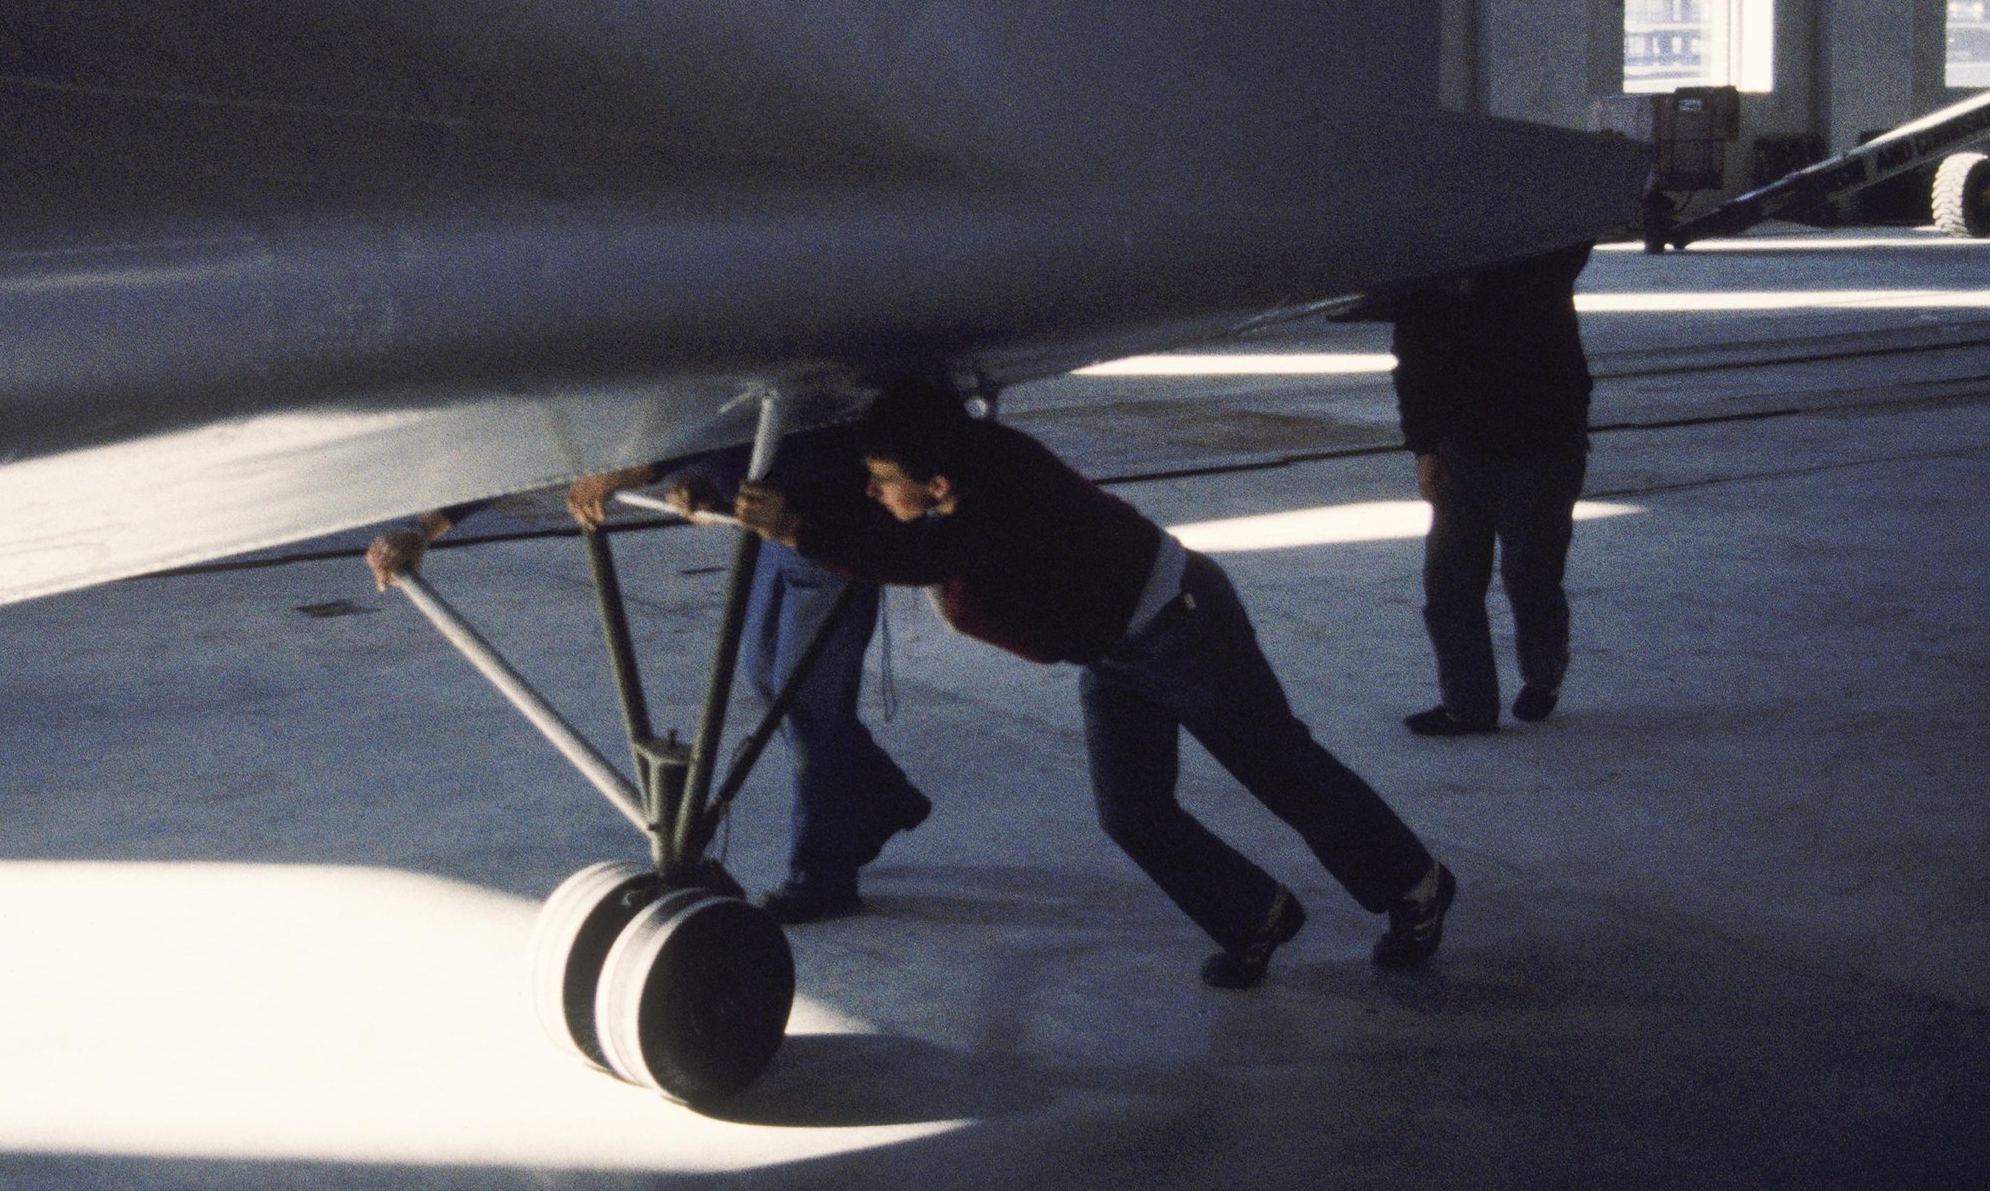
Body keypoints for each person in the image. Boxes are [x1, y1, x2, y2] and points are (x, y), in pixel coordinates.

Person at [732, 381, 1453, 989]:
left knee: (1279, 767)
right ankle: (1254, 915)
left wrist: (799, 530)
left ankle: (1415, 887)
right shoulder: (960, 466)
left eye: (884, 479)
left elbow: (916, 553)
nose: (872, 491)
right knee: (1131, 810)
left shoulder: (995, 505)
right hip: (1116, 649)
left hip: (1185, 626)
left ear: (940, 485)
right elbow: (890, 518)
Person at [366, 429, 930, 925]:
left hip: (831, 532)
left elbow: (717, 414)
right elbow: (712, 435)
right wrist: (700, 477)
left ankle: (823, 878)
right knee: (771, 683)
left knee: (805, 706)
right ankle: (885, 792)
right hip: (775, 534)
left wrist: (628, 473)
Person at [1389, 242, 1594, 735]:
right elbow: (1412, 363)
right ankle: (1475, 703)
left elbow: (1411, 363)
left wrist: (1425, 447)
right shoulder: (1435, 274)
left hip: (1541, 446)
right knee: (1456, 585)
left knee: (1527, 576)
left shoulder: (1538, 256)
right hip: (1475, 450)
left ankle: (1531, 683)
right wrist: (1425, 448)